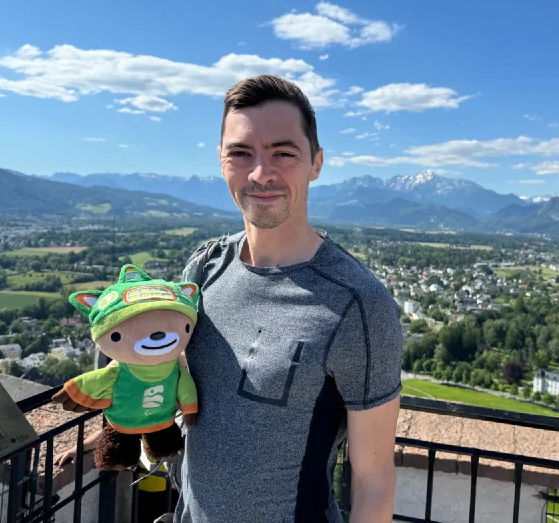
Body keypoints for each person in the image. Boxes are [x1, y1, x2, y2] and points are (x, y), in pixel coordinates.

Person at [173, 75, 403, 523]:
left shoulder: (357, 304)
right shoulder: (204, 269)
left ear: (316, 163)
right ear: (221, 161)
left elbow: (373, 478)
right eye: (241, 153)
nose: (261, 173)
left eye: (283, 152)